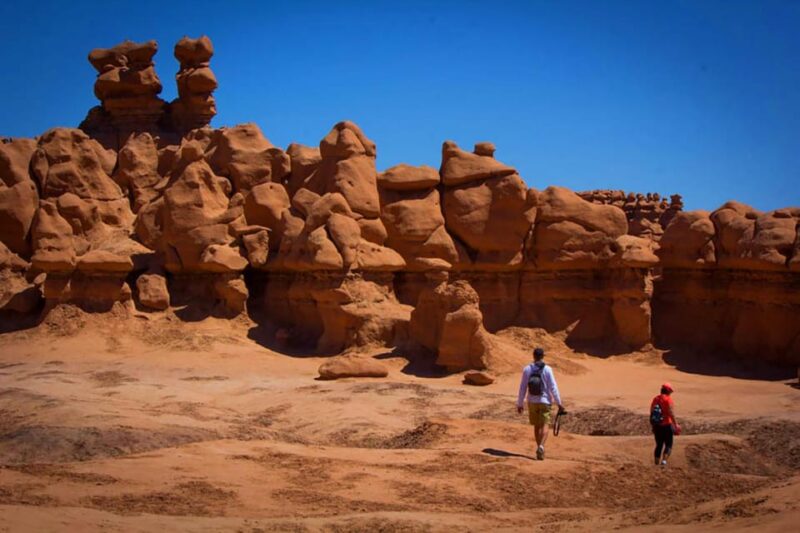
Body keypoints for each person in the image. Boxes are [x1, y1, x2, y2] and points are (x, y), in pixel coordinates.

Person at [516, 347, 563, 460]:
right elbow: (553, 387)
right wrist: (559, 403)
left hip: (532, 401)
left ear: (533, 356)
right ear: (542, 356)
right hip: (545, 401)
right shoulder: (548, 369)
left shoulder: (527, 369)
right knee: (545, 424)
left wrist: (520, 403)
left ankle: (539, 448)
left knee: (537, 426)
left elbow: (522, 387)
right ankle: (541, 446)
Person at [650, 382, 681, 466]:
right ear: (668, 391)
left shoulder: (656, 399)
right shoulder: (668, 400)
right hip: (667, 424)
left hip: (657, 425)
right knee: (668, 444)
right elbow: (671, 412)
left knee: (659, 445)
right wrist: (676, 424)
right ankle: (664, 462)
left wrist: (653, 425)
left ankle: (656, 464)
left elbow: (652, 412)